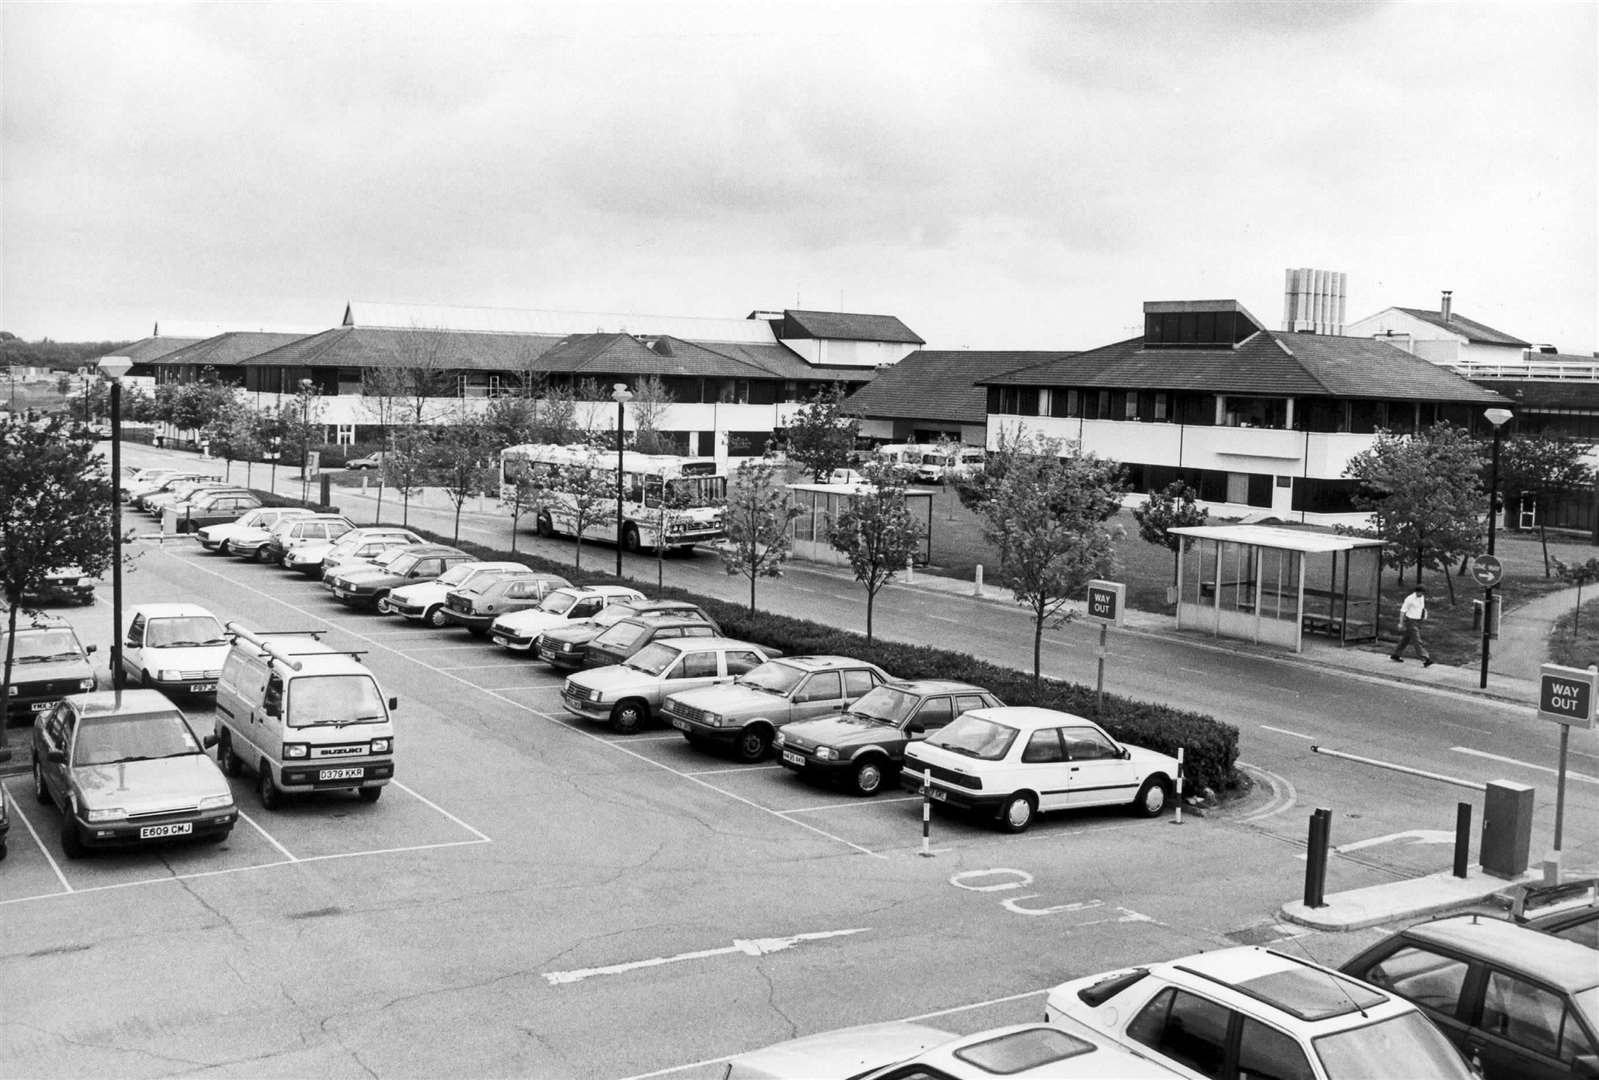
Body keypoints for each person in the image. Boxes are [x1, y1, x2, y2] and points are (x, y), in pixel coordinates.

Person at [1390, 585, 1434, 666]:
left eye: (1423, 593)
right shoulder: (1409, 599)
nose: (1422, 594)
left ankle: (1396, 654)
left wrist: (1424, 616)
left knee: (1406, 639)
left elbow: (1422, 608)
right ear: (1417, 591)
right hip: (1411, 621)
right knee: (1417, 640)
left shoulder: (1422, 597)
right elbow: (1402, 611)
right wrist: (1401, 623)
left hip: (1418, 621)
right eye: (1421, 592)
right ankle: (1425, 658)